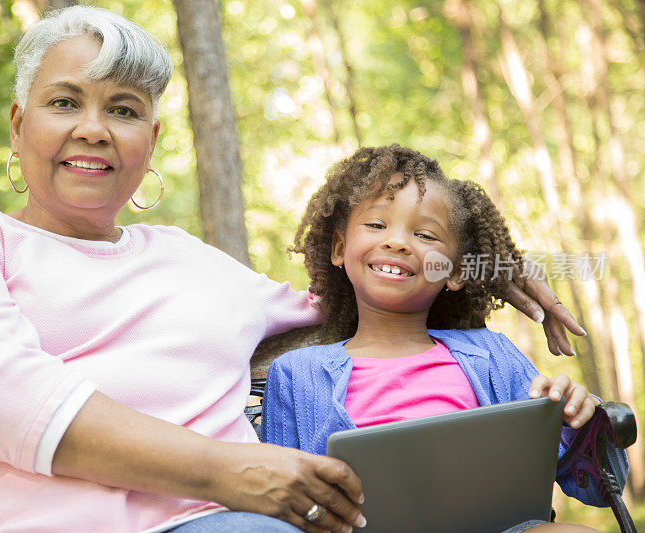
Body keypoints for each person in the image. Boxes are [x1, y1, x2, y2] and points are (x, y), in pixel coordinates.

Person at [0, 7, 585, 533]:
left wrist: (490, 266)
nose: (93, 128)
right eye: (65, 102)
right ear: (17, 123)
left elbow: (355, 284)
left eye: (123, 111)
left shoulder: (189, 262)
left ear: (149, 142)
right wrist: (232, 472)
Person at [260, 145, 629, 532]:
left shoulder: (491, 354)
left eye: (424, 234)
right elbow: (279, 504)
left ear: (453, 272)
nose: (398, 242)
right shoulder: (297, 374)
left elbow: (602, 487)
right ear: (339, 248)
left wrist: (577, 419)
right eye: (376, 225)